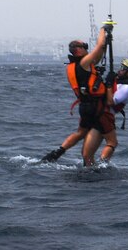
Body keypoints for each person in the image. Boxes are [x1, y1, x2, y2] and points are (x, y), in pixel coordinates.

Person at [39, 25, 113, 164]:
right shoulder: (84, 62)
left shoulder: (76, 66)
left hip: (84, 106)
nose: (86, 48)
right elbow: (99, 45)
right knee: (111, 140)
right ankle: (99, 164)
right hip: (95, 106)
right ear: (78, 50)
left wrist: (105, 44)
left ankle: (57, 153)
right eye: (84, 46)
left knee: (80, 133)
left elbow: (99, 53)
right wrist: (104, 29)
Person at [98, 58, 128, 163]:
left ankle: (99, 164)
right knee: (112, 142)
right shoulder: (118, 82)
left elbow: (110, 102)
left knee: (108, 141)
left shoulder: (127, 88)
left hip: (105, 114)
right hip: (102, 114)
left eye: (123, 68)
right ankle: (100, 164)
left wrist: (108, 85)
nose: (119, 70)